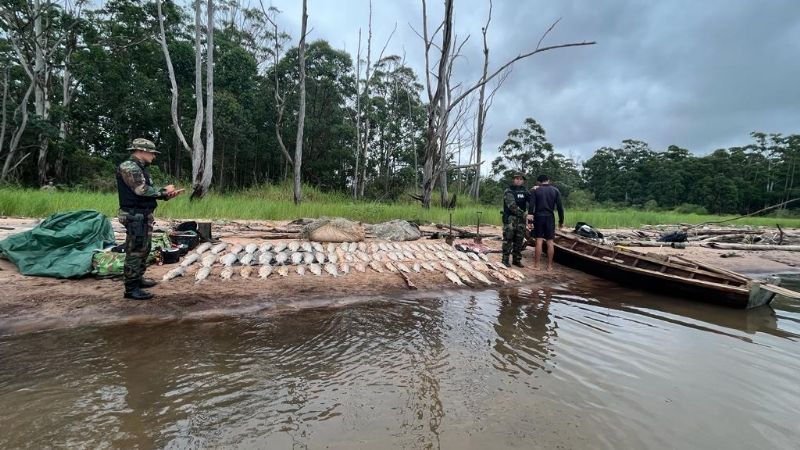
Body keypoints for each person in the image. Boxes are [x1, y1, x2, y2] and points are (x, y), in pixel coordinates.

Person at [117, 138, 183, 300]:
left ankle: (138, 279)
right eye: (152, 153)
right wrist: (164, 191)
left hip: (142, 214)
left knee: (144, 248)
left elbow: (147, 192)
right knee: (136, 250)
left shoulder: (140, 168)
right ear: (141, 151)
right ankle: (131, 288)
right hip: (134, 214)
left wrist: (166, 195)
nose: (154, 156)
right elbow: (141, 190)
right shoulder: (129, 167)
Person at [530, 174, 564, 271]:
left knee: (539, 240)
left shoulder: (535, 190)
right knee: (550, 241)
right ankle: (549, 266)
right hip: (550, 217)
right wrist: (561, 221)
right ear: (548, 180)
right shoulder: (555, 190)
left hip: (538, 217)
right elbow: (560, 207)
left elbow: (531, 206)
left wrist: (529, 221)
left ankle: (537, 266)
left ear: (538, 182)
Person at [501, 173, 532, 268]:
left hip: (521, 220)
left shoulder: (525, 191)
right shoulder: (508, 191)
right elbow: (512, 206)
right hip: (510, 219)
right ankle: (505, 260)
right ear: (513, 180)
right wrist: (525, 215)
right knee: (508, 239)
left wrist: (535, 190)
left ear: (523, 181)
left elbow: (532, 200)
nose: (518, 180)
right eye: (516, 179)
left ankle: (516, 260)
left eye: (520, 179)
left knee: (519, 240)